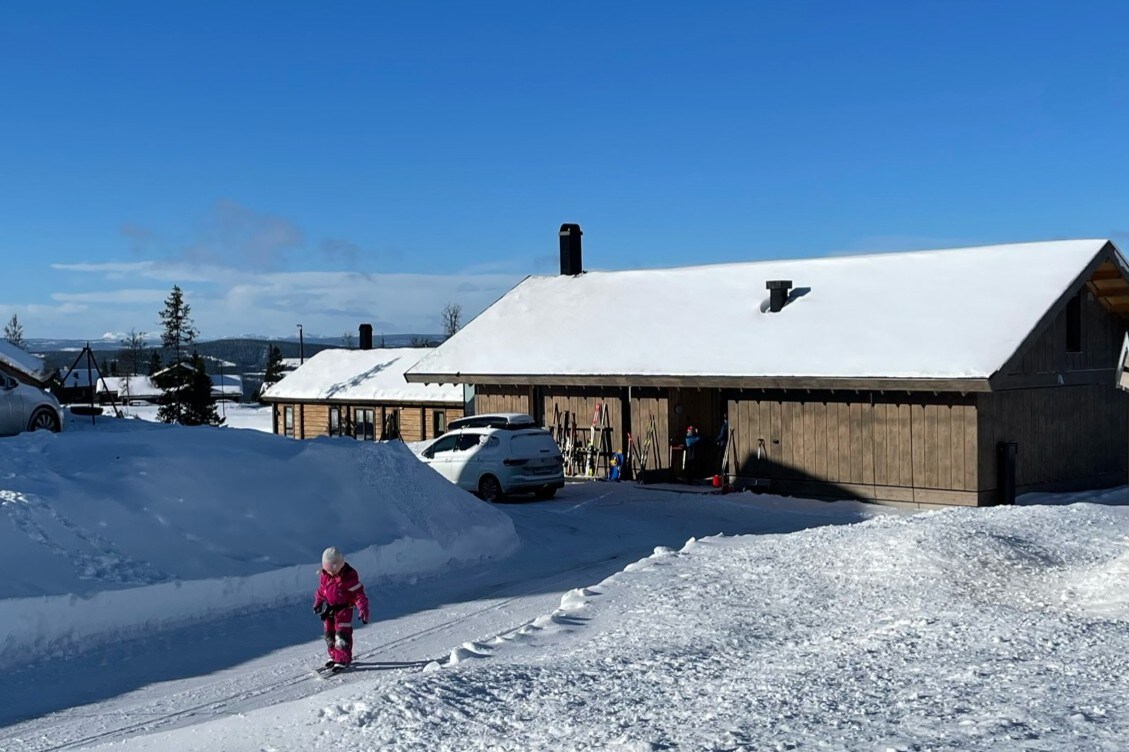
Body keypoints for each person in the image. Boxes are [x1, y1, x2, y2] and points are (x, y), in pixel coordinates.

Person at [313, 546, 370, 670]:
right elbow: (322, 591)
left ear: (340, 565)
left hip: (344, 610)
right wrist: (318, 603)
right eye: (328, 569)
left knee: (342, 634)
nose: (331, 573)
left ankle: (343, 659)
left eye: (333, 569)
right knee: (329, 633)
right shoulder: (325, 575)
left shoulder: (348, 577)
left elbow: (358, 594)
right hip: (330, 610)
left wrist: (363, 608)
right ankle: (334, 655)